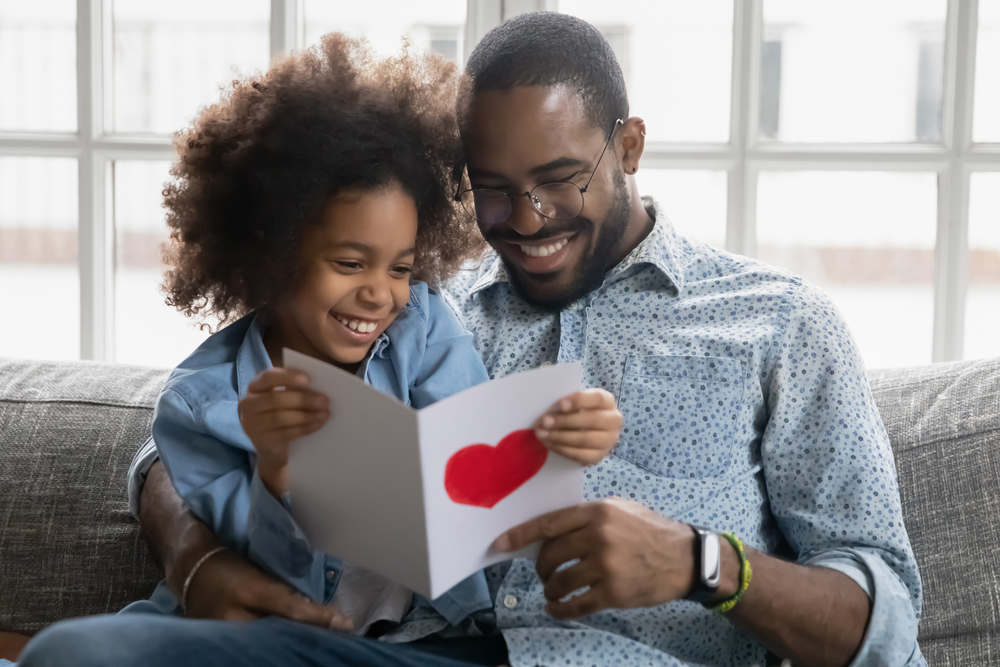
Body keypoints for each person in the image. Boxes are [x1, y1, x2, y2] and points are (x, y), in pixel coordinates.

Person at [19, 11, 924, 667]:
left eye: (561, 179)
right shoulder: (414, 294)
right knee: (82, 655)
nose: (525, 220)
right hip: (406, 651)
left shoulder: (777, 324)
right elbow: (186, 433)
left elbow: (884, 618)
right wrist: (197, 554)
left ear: (632, 145)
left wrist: (701, 563)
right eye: (491, 187)